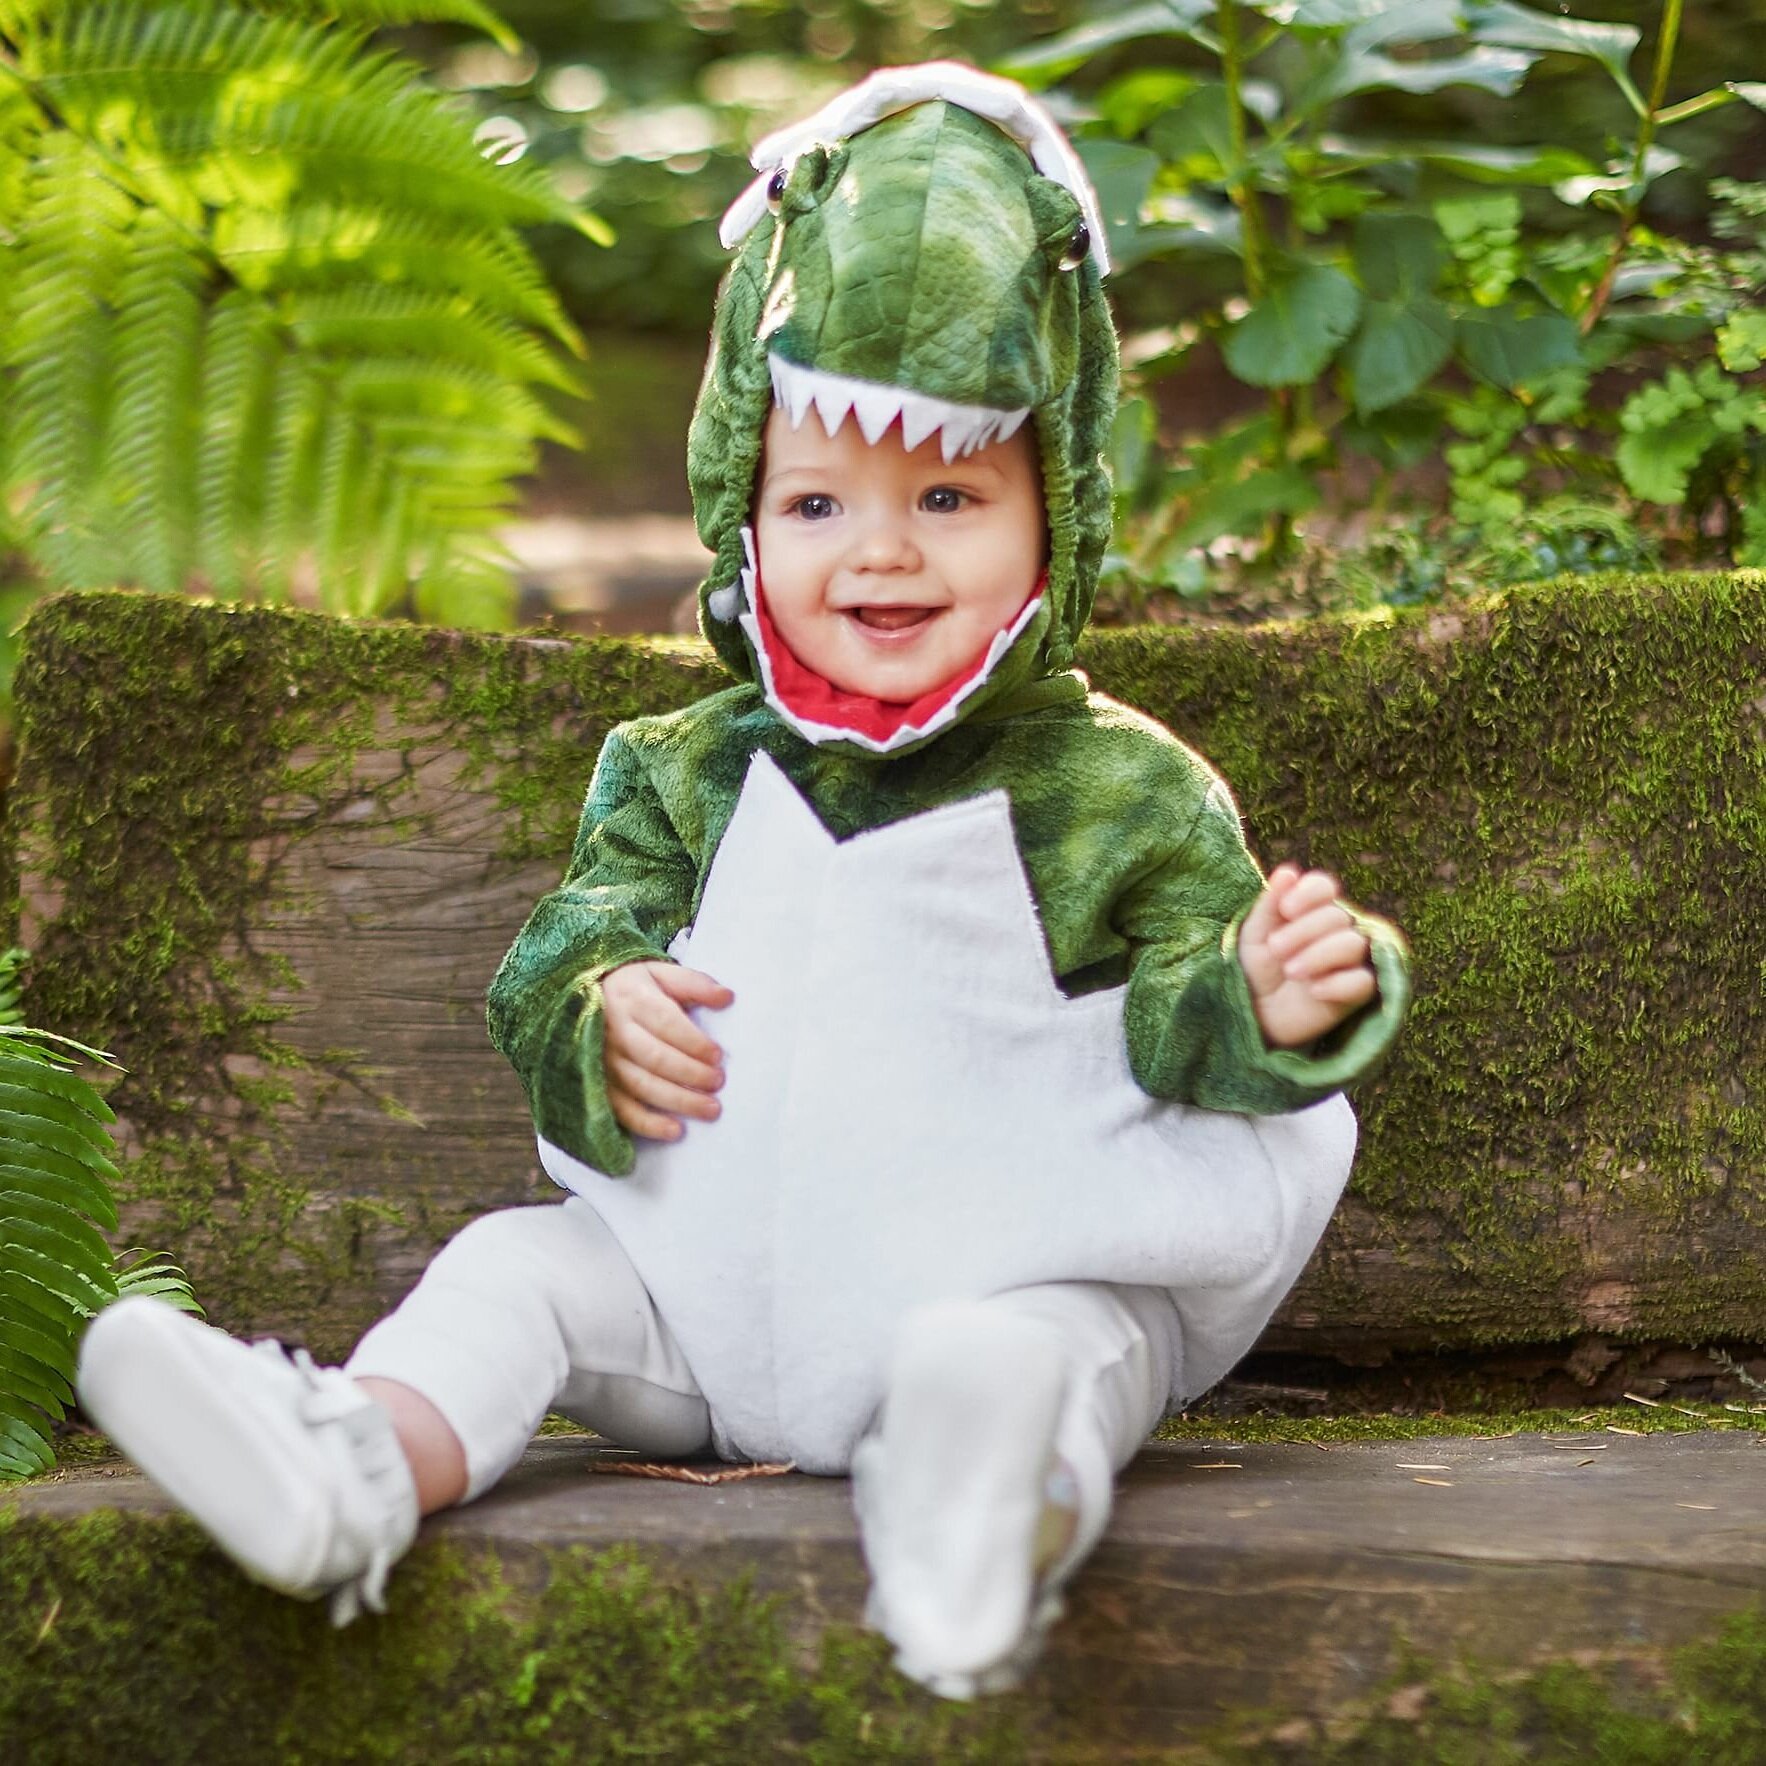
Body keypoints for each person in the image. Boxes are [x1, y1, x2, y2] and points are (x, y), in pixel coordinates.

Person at [77, 61, 1409, 1698]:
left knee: (1042, 1351)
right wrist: (598, 1006)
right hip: (693, 1314)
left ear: (1053, 510)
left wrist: (1266, 998)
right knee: (518, 1268)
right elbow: (565, 951)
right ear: (739, 512)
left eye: (946, 493)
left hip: (993, 1271)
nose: (881, 549)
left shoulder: (1113, 786)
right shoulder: (679, 766)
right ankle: (358, 1460)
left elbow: (1184, 1023)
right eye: (816, 499)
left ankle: (980, 1518)